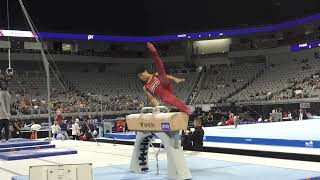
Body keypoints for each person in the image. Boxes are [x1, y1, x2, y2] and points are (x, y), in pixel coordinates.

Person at [136, 42, 191, 114]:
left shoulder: (155, 74)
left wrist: (176, 79)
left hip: (165, 84)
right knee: (170, 99)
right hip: (164, 94)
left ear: (145, 71)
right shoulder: (146, 87)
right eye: (139, 77)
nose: (141, 77)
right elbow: (152, 98)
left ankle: (154, 52)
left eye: (141, 75)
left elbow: (166, 76)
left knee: (161, 70)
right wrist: (157, 108)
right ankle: (186, 109)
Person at [0, 69, 13, 142]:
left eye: (2, 75)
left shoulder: (6, 79)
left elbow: (11, 77)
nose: (1, 76)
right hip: (1, 92)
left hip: (6, 92)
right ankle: (5, 112)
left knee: (7, 103)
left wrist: (10, 73)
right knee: (2, 102)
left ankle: (7, 112)